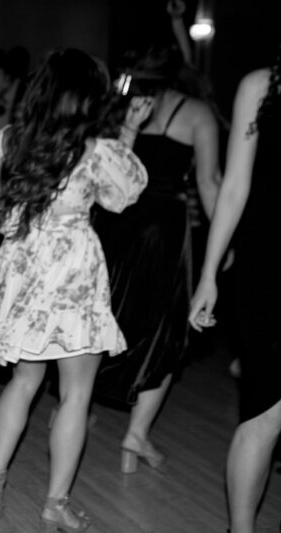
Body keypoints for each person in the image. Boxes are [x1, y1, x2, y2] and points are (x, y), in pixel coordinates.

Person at [0, 49, 150, 532]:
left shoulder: (8, 139)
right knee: (75, 394)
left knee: (23, 382)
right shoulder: (96, 148)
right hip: (73, 273)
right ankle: (54, 503)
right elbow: (124, 196)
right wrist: (129, 132)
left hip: (21, 269)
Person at [188, 0, 281, 531]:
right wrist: (209, 275)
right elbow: (233, 189)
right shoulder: (259, 87)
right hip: (267, 274)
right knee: (266, 411)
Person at [92, 43, 221, 474]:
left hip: (117, 223)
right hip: (164, 230)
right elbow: (209, 182)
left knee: (108, 313)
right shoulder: (197, 113)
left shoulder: (119, 107)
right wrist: (224, 241)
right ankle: (136, 434)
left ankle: (75, 404)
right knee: (165, 329)